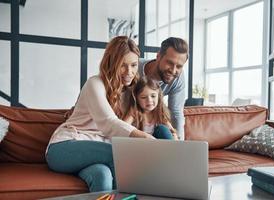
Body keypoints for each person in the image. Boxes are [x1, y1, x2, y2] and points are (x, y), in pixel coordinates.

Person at [45, 36, 155, 193]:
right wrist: (143, 137)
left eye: (133, 65)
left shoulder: (131, 92)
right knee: (115, 153)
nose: (129, 72)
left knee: (102, 176)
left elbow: (152, 104)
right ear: (111, 63)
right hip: (64, 148)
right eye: (123, 65)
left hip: (94, 155)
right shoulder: (94, 84)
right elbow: (108, 122)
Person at [138, 37, 188, 140]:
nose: (173, 71)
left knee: (163, 131)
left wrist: (179, 143)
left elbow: (176, 113)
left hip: (153, 127)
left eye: (179, 66)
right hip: (132, 123)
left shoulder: (178, 79)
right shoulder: (134, 68)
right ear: (158, 56)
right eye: (169, 63)